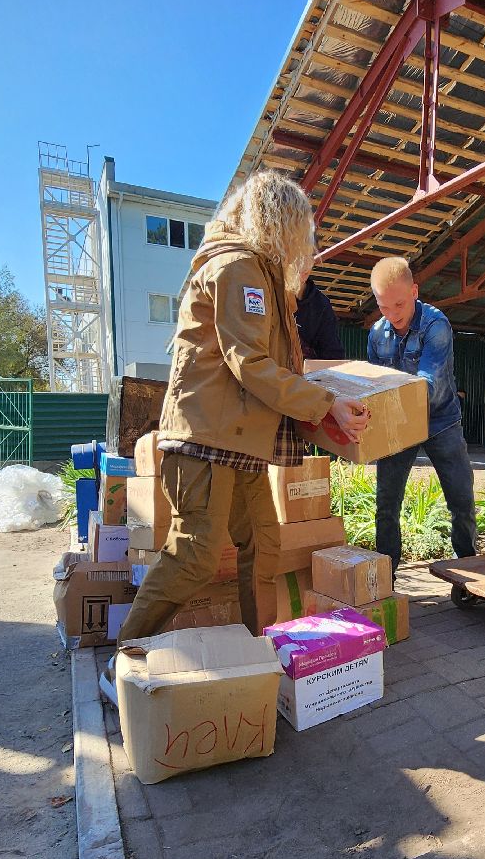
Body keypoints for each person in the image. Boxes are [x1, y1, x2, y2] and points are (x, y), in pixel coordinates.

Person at [115, 171, 368, 641]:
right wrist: (326, 404)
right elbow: (249, 363)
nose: (304, 246)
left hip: (239, 443)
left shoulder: (260, 274)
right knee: (194, 556)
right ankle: (127, 651)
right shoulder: (238, 268)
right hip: (205, 444)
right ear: (279, 223)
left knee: (264, 547)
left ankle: (260, 649)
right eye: (300, 232)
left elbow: (270, 363)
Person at [367, 257, 478, 572]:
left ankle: (469, 572)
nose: (393, 315)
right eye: (383, 307)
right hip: (397, 425)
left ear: (414, 291)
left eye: (399, 304)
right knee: (386, 505)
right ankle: (385, 580)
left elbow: (426, 387)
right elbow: (373, 386)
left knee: (462, 501)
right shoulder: (376, 334)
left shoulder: (436, 325)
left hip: (441, 421)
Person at [294, 275, 345, 361]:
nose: (302, 263)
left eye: (309, 260)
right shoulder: (267, 291)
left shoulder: (321, 304)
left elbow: (333, 356)